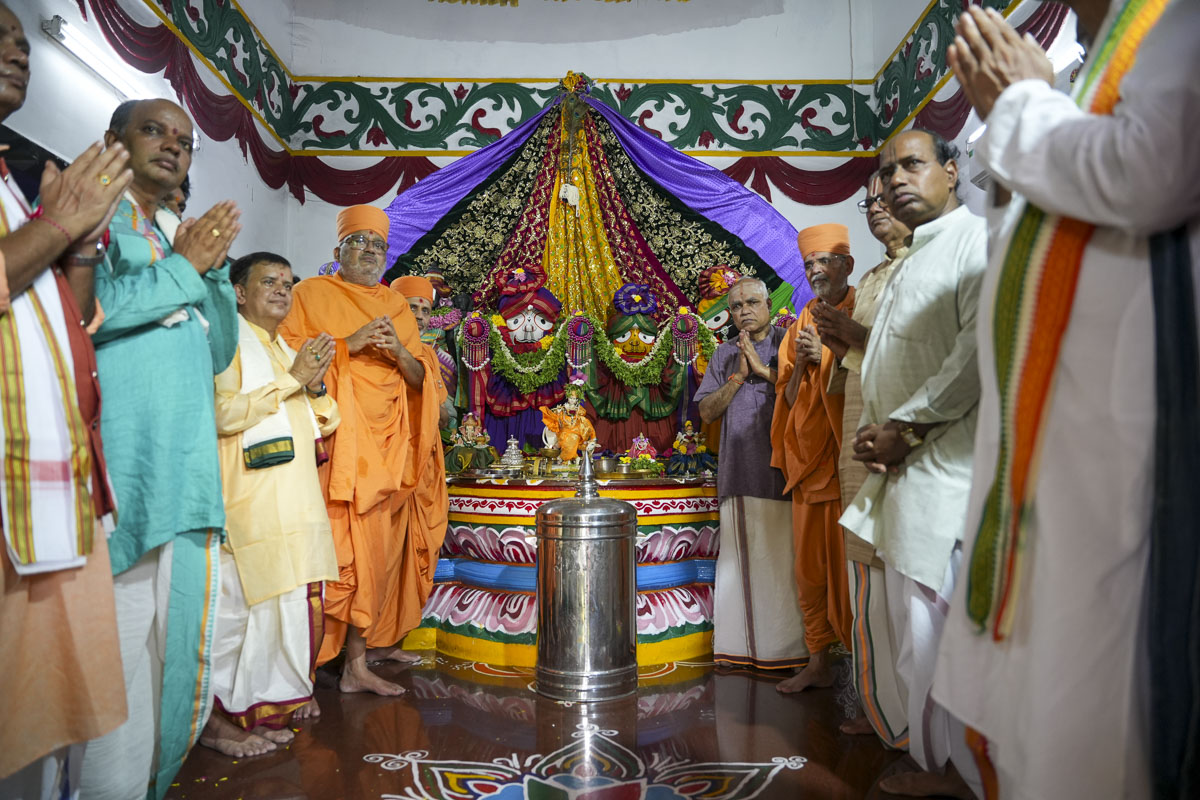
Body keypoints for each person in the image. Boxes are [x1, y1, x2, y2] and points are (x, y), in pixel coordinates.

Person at [933, 4, 1200, 798]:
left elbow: (1153, 171)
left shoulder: (1179, 23)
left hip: (1120, 436)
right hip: (1045, 439)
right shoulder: (1080, 71)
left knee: (1094, 708)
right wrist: (1025, 106)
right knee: (1036, 703)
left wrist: (1019, 104)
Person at [80, 98, 242, 800]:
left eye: (184, 139)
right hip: (124, 470)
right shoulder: (91, 217)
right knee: (111, 659)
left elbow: (219, 351)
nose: (173, 146)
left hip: (183, 474)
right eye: (155, 130)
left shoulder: (171, 231)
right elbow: (91, 314)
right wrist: (184, 265)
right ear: (113, 140)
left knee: (163, 657)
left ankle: (143, 784)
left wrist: (212, 270)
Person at [0, 6, 132, 797]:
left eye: (21, 41)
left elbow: (71, 324)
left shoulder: (15, 190)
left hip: (48, 482)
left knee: (42, 725)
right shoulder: (33, 206)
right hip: (12, 482)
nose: (16, 50)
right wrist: (58, 223)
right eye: (0, 37)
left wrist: (77, 243)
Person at [838, 128, 987, 798]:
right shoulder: (911, 258)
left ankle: (963, 773)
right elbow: (899, 357)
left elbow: (973, 356)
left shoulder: (975, 242)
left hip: (945, 473)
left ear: (952, 171)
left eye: (913, 164)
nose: (896, 179)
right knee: (912, 633)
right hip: (901, 471)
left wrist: (907, 426)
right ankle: (939, 764)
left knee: (939, 633)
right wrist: (879, 431)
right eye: (887, 170)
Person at [279, 204, 446, 696]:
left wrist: (398, 351)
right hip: (333, 444)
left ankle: (356, 661)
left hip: (386, 449)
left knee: (374, 554)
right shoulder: (309, 294)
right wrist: (346, 343)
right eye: (360, 243)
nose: (370, 252)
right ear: (339, 250)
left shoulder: (395, 305)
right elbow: (285, 358)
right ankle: (307, 666)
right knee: (331, 552)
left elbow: (419, 377)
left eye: (378, 245)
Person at [203, 252, 340, 758]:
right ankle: (218, 722)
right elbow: (221, 413)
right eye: (270, 282)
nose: (283, 290)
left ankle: (260, 711)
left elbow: (325, 420)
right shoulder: (228, 346)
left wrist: (314, 384)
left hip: (295, 499)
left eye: (288, 282)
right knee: (241, 613)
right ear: (239, 292)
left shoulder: (284, 348)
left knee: (285, 611)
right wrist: (292, 380)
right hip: (248, 500)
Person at [812, 175, 912, 741]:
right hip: (858, 435)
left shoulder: (927, 267)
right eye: (868, 200)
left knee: (905, 586)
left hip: (903, 442)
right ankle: (882, 711)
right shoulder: (876, 276)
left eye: (885, 198)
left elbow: (928, 354)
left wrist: (853, 335)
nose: (875, 208)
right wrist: (841, 344)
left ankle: (911, 725)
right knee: (867, 578)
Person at [695, 277, 807, 672]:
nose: (744, 311)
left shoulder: (790, 343)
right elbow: (706, 412)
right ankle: (739, 651)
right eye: (737, 306)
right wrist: (740, 376)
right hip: (739, 472)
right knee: (739, 564)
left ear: (769, 305)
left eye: (752, 302)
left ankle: (786, 652)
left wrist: (764, 370)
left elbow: (809, 394)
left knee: (782, 563)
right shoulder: (725, 353)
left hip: (785, 473)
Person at [771, 224, 856, 694]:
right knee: (809, 572)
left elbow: (869, 371)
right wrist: (804, 361)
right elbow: (785, 396)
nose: (815, 270)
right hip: (807, 466)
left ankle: (865, 676)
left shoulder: (862, 311)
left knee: (850, 573)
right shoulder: (800, 322)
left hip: (847, 464)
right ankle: (818, 661)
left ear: (847, 265)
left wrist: (826, 354)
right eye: (809, 264)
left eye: (824, 261)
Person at [391, 273, 453, 430]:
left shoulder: (429, 354)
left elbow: (444, 420)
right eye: (412, 308)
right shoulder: (378, 348)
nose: (419, 316)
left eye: (425, 311)